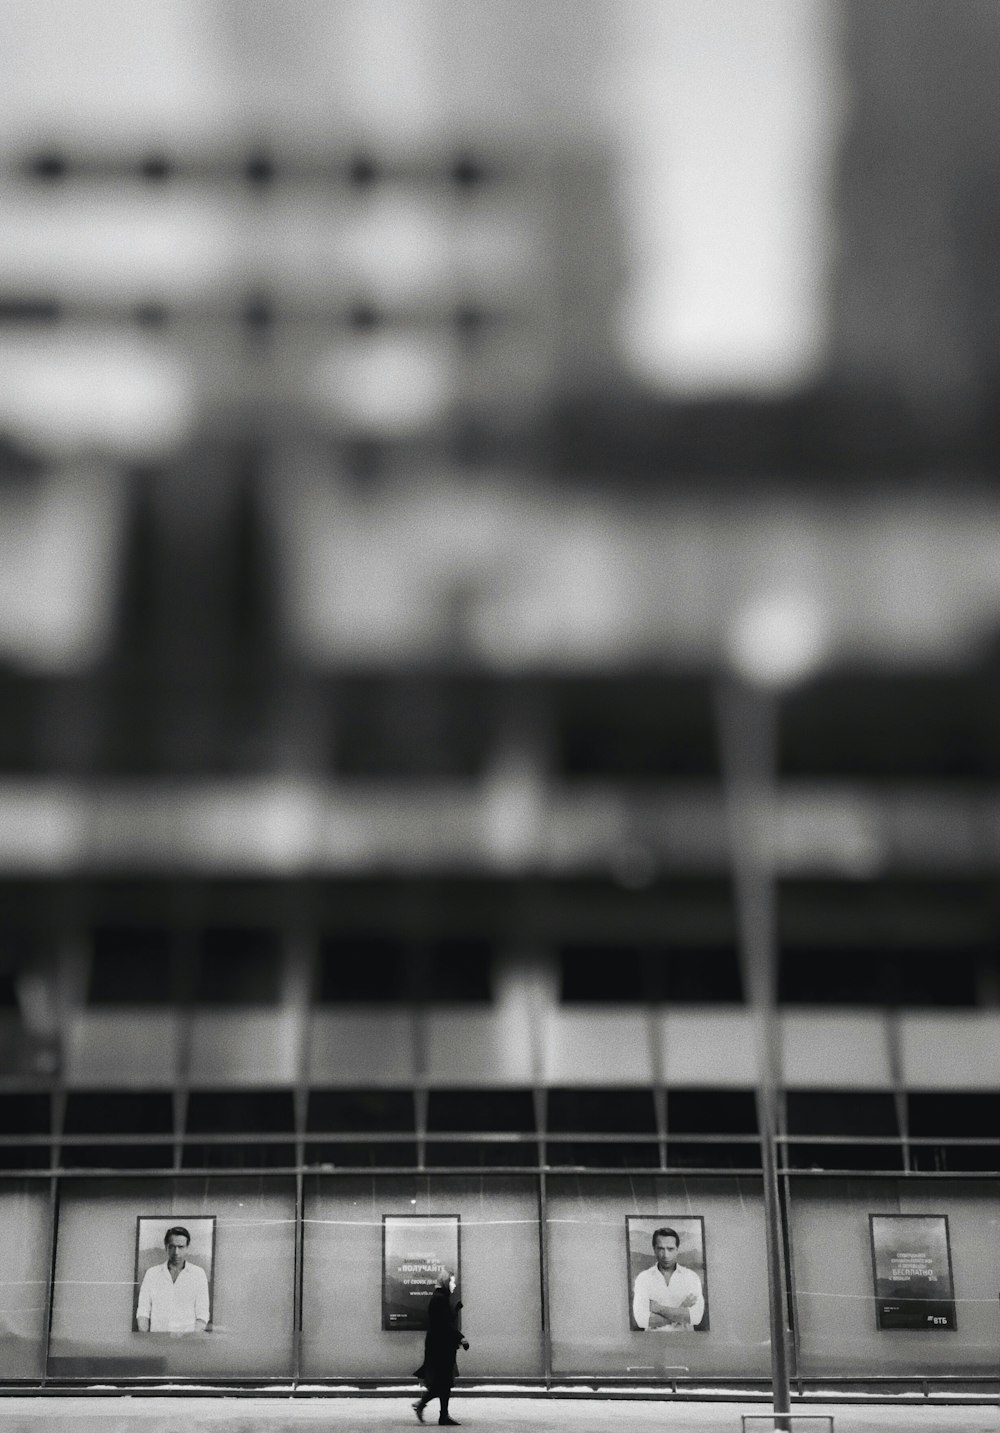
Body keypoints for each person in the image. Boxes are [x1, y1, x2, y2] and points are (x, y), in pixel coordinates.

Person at [412, 1270, 468, 1426]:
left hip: (440, 1346)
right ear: (445, 1282)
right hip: (440, 1348)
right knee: (444, 1382)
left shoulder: (441, 1298)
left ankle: (432, 1410)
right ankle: (435, 1412)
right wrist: (461, 1338)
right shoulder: (440, 1299)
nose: (454, 1284)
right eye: (452, 1281)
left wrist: (455, 1310)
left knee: (443, 1383)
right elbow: (444, 1324)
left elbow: (444, 1321)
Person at [136, 1225, 210, 1333]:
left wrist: (190, 1340)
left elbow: (202, 1315)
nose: (176, 1252)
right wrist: (146, 1339)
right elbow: (143, 1311)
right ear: (166, 1247)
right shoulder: (152, 1273)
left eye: (181, 1247)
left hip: (187, 1343)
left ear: (187, 1247)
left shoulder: (198, 1274)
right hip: (156, 1342)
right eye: (172, 1247)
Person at [632, 1226, 705, 1331]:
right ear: (654, 1250)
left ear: (677, 1250)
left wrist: (658, 1308)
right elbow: (642, 1320)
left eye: (670, 1249)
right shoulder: (643, 1278)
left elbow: (696, 1318)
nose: (666, 1255)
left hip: (686, 1343)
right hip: (652, 1343)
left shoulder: (691, 1277)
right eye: (661, 1249)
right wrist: (682, 1308)